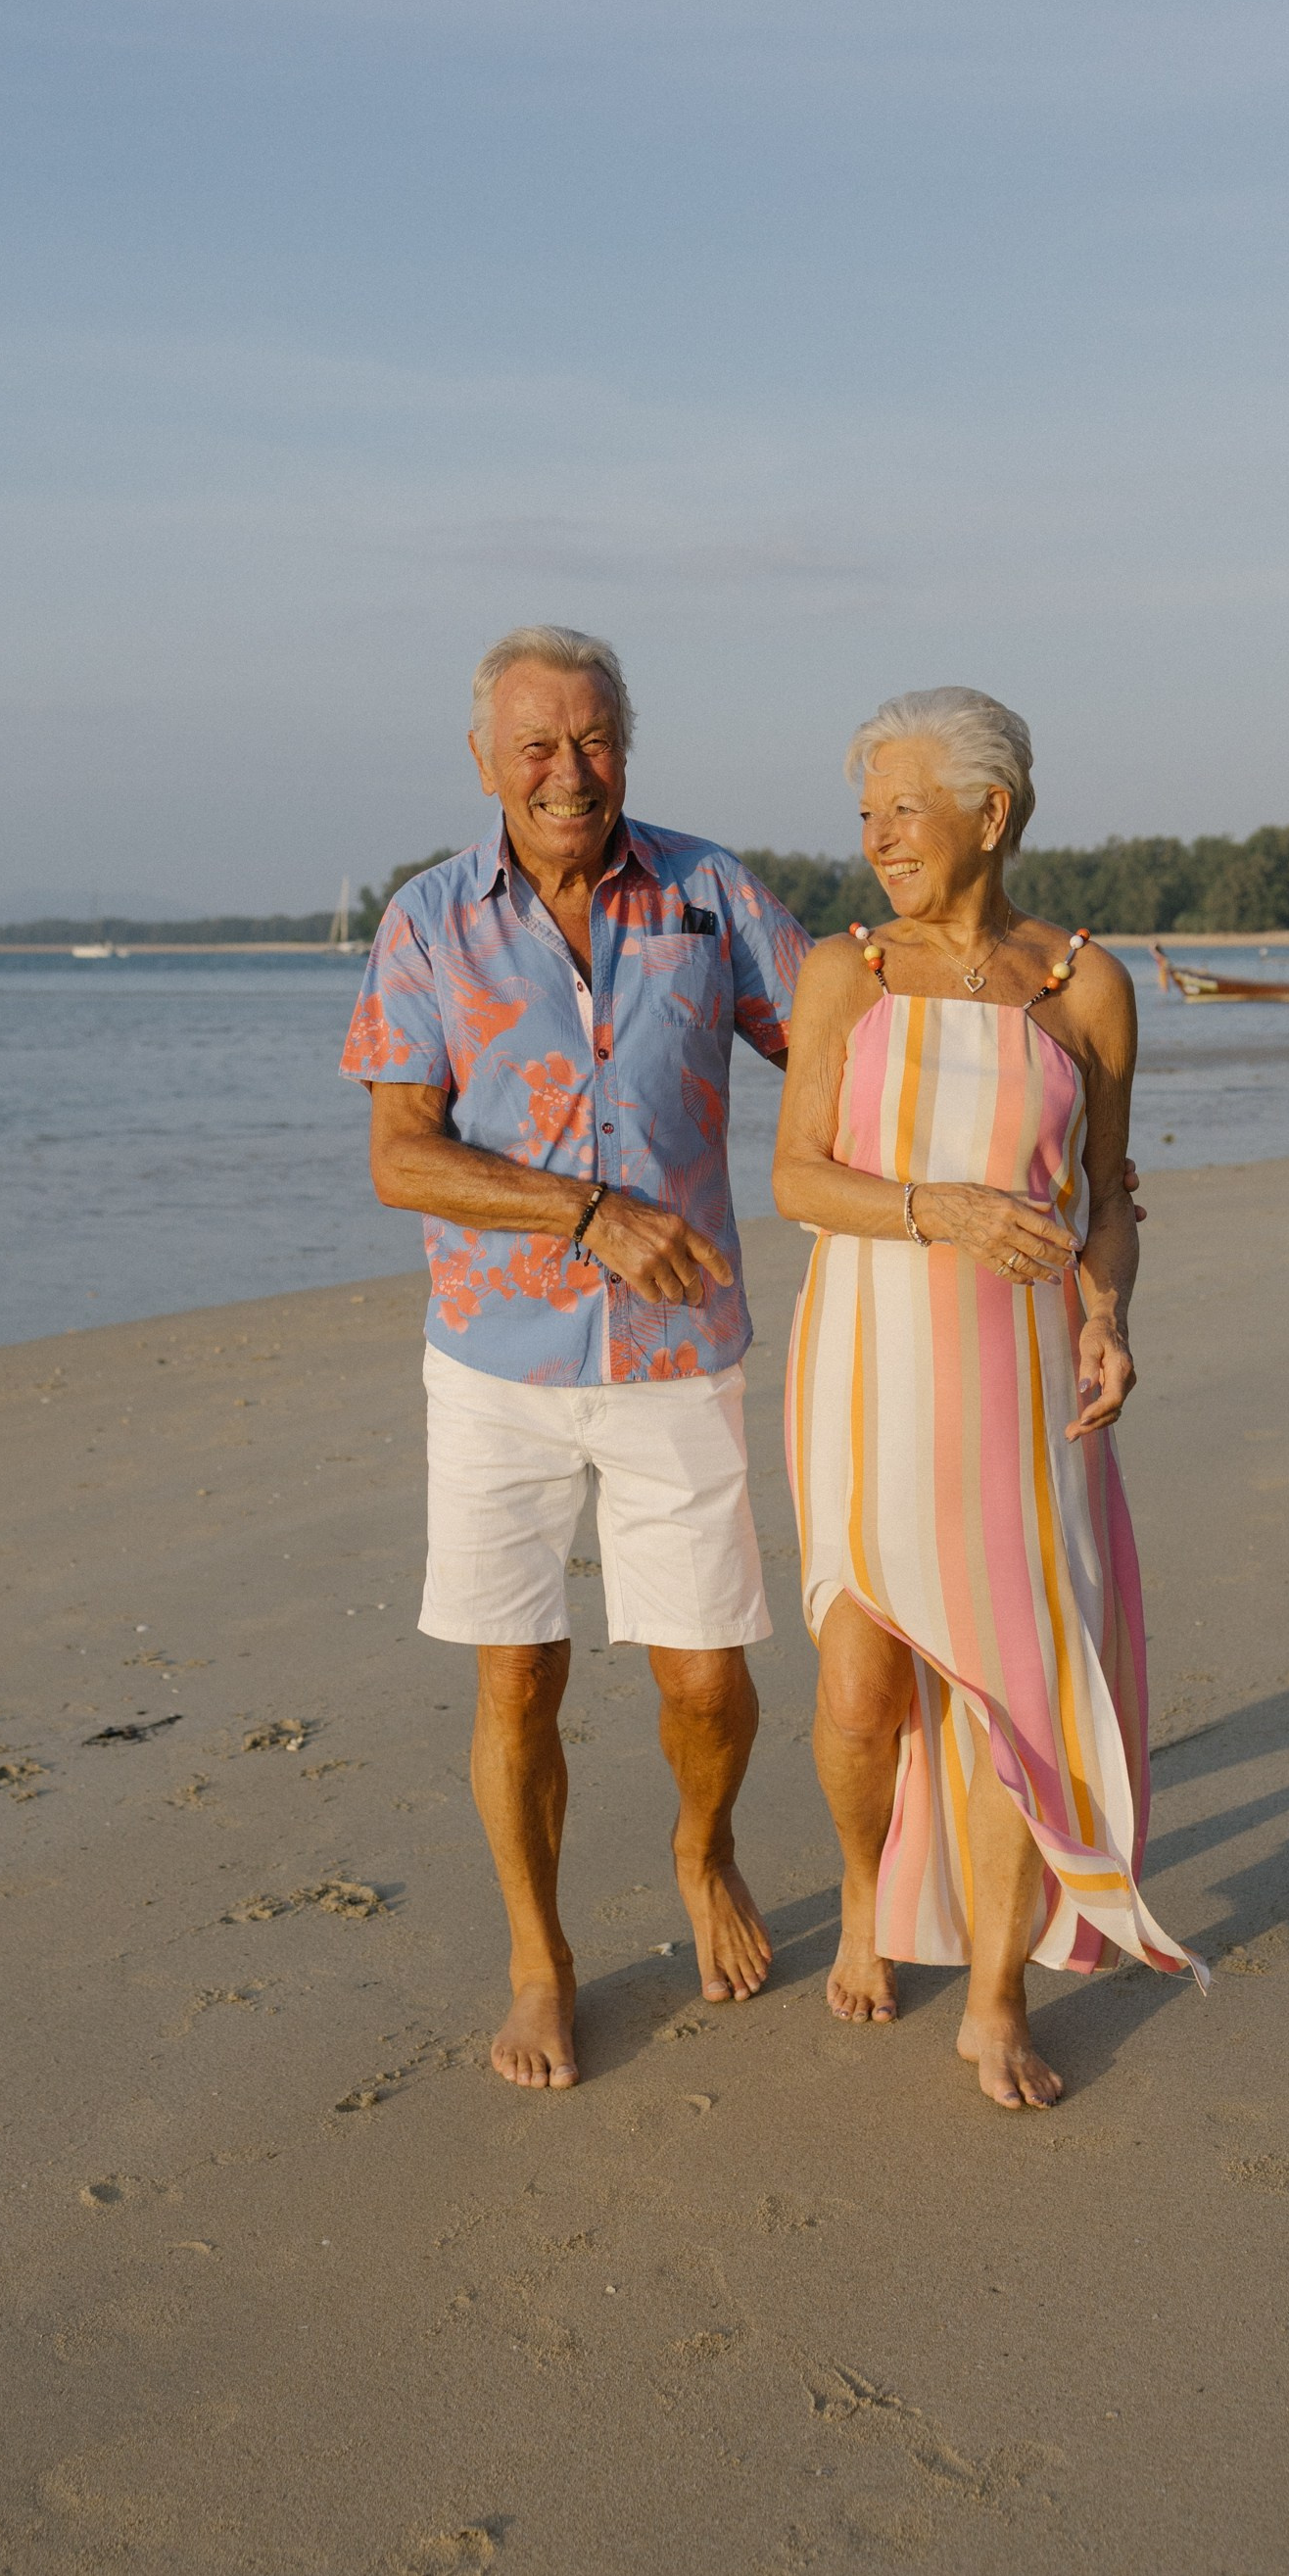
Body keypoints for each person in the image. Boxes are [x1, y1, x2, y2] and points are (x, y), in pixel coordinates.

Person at [341, 625, 813, 2091]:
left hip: (677, 1352)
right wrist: (589, 1213)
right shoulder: (428, 922)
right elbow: (403, 1160)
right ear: (484, 758)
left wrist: (1031, 1036)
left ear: (629, 745)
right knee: (517, 1680)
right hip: (496, 1361)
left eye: (594, 739)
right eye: (537, 744)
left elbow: (846, 1052)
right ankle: (540, 1957)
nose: (569, 772)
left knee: (705, 1682)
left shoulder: (706, 893)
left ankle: (703, 1846)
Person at [772, 688, 1204, 2112]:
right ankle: (858, 1884)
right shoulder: (844, 975)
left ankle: (1000, 1998)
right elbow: (796, 1180)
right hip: (865, 1369)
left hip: (1022, 1385)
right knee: (859, 1684)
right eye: (867, 814)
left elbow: (1111, 1200)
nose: (878, 837)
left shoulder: (1085, 989)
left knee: (1012, 1685)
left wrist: (1107, 1307)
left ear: (992, 815)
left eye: (905, 807)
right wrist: (937, 1207)